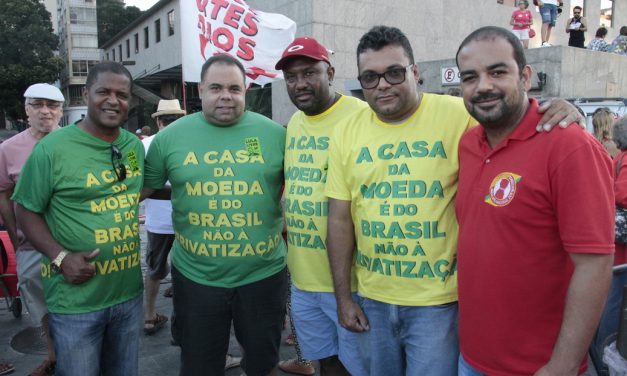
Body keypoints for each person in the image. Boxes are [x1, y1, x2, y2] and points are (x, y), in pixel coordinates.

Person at [325, 25, 583, 376]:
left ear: (415, 73)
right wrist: (344, 297)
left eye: (394, 72)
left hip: (440, 304)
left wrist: (564, 109)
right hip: (373, 299)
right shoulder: (346, 132)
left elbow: (514, 116)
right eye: (370, 77)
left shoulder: (459, 112)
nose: (382, 84)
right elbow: (340, 219)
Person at [455, 26, 614, 375]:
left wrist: (562, 365)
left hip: (537, 367)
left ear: (525, 76)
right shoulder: (467, 144)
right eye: (470, 77)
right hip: (470, 358)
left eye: (497, 72)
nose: (483, 86)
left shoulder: (569, 147)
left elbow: (595, 265)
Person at [143, 54, 287, 376]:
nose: (226, 95)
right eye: (216, 87)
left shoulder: (275, 135)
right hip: (197, 280)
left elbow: (297, 187)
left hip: (263, 278)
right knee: (199, 366)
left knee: (264, 365)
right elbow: (143, 190)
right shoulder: (169, 139)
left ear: (245, 90)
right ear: (201, 90)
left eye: (234, 88)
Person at [12, 62, 144, 376]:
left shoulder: (133, 146)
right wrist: (60, 257)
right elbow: (25, 209)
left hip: (127, 295)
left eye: (121, 95)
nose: (113, 100)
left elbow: (140, 190)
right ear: (86, 94)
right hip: (76, 302)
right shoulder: (51, 149)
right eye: (104, 92)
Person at [275, 37, 368, 376]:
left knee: (359, 366)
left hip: (349, 282)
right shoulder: (296, 122)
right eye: (291, 77)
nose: (300, 83)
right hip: (303, 278)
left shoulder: (362, 115)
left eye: (309, 73)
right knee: (325, 362)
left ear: (329, 72)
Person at [0, 83, 63, 376]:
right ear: (26, 109)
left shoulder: (74, 142)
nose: (45, 111)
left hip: (73, 241)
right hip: (31, 247)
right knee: (40, 302)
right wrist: (15, 236)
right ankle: (52, 354)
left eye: (52, 105)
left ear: (61, 111)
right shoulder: (9, 149)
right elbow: (4, 193)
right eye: (38, 104)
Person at [142, 99, 185, 336]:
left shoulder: (145, 145)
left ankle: (149, 315)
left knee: (154, 269)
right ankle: (183, 321)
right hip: (186, 219)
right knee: (186, 272)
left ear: (158, 120)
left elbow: (139, 184)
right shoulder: (188, 142)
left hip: (158, 221)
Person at [591, 116, 627, 375]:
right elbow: (619, 193)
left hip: (616, 247)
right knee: (614, 302)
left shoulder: (620, 157)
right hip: (621, 251)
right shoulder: (625, 159)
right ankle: (604, 359)